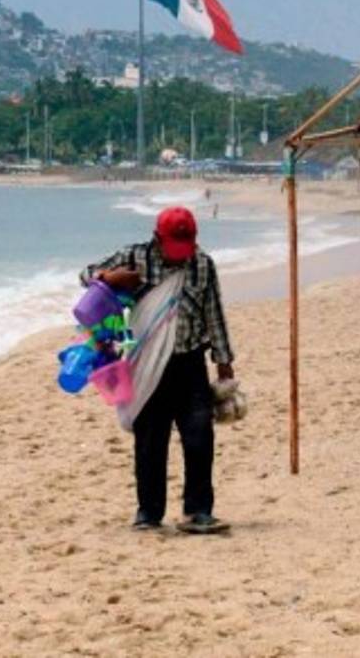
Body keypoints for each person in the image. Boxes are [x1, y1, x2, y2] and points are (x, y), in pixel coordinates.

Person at [79, 206, 234, 534]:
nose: (180, 255)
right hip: (147, 363)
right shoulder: (134, 257)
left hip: (190, 362)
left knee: (200, 436)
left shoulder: (203, 264)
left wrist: (224, 364)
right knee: (150, 440)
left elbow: (214, 314)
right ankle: (148, 513)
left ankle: (198, 511)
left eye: (185, 247)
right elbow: (86, 275)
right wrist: (111, 278)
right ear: (157, 238)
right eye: (174, 247)